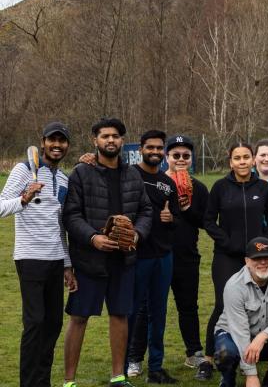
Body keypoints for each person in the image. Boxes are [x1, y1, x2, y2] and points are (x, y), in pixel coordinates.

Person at [62, 117, 153, 387]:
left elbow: (146, 211)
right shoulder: (81, 173)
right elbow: (71, 214)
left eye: (115, 136)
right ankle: (69, 381)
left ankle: (118, 376)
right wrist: (93, 238)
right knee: (79, 317)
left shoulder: (132, 174)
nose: (110, 140)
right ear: (95, 140)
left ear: (122, 141)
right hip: (90, 259)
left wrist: (136, 234)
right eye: (105, 136)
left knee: (120, 315)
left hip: (123, 259)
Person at [0, 121, 76, 387]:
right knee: (35, 324)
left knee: (53, 324)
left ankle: (42, 381)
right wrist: (23, 200)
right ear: (42, 142)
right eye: (52, 140)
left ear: (67, 145)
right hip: (30, 257)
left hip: (56, 260)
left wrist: (67, 264)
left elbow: (61, 225)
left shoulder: (64, 178)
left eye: (62, 141)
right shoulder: (24, 169)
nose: (57, 145)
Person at [199, 142, 268, 380]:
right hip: (227, 256)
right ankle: (208, 359)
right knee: (222, 305)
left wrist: (263, 245)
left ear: (253, 159)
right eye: (237, 158)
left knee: (260, 305)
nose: (242, 162)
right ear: (231, 162)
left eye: (247, 157)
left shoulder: (264, 188)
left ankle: (254, 352)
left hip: (258, 258)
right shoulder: (220, 187)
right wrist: (228, 243)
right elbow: (208, 221)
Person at [125, 130, 180, 384]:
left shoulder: (168, 183)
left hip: (163, 256)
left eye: (160, 148)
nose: (155, 152)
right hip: (137, 255)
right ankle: (122, 366)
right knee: (131, 311)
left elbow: (176, 218)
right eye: (151, 148)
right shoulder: (128, 175)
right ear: (141, 148)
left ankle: (156, 368)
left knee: (159, 313)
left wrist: (171, 220)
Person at [213, 236, 268, 387]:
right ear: (247, 261)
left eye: (267, 257)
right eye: (257, 258)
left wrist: (262, 337)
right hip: (233, 335)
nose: (262, 262)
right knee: (225, 352)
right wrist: (251, 375)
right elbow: (240, 332)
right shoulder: (234, 286)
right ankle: (228, 380)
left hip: (266, 338)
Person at [164, 135, 210, 370]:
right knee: (150, 308)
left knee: (188, 307)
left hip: (187, 255)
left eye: (186, 156)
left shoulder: (200, 188)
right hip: (158, 254)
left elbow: (206, 222)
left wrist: (187, 209)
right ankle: (137, 356)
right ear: (167, 157)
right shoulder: (157, 182)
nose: (181, 159)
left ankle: (194, 351)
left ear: (191, 159)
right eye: (176, 155)